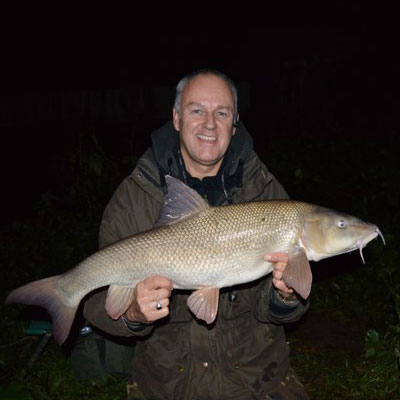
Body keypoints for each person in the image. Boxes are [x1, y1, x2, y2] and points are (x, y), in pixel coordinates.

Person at [83, 69, 310, 399]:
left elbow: (276, 311)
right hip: (168, 386)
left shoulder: (266, 193)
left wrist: (285, 296)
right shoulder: (136, 196)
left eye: (221, 113)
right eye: (196, 110)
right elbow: (95, 303)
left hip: (258, 380)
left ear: (234, 124)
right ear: (176, 118)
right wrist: (133, 314)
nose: (209, 124)